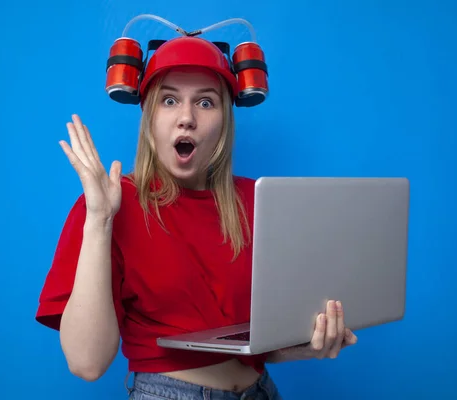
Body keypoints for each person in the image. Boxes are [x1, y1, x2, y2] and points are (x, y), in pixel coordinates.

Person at [35, 35, 358, 400]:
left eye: (206, 102)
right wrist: (99, 221)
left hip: (261, 391)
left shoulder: (258, 200)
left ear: (225, 120)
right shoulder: (109, 204)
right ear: (148, 115)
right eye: (169, 100)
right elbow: (86, 363)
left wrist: (308, 345)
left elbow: (254, 342)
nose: (186, 118)